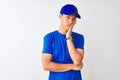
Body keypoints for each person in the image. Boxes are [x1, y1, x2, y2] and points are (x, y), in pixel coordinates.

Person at [42, 4, 85, 80]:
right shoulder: (49, 38)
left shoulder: (79, 37)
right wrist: (72, 66)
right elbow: (46, 65)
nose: (71, 21)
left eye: (73, 19)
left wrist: (68, 38)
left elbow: (77, 61)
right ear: (60, 17)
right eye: (68, 17)